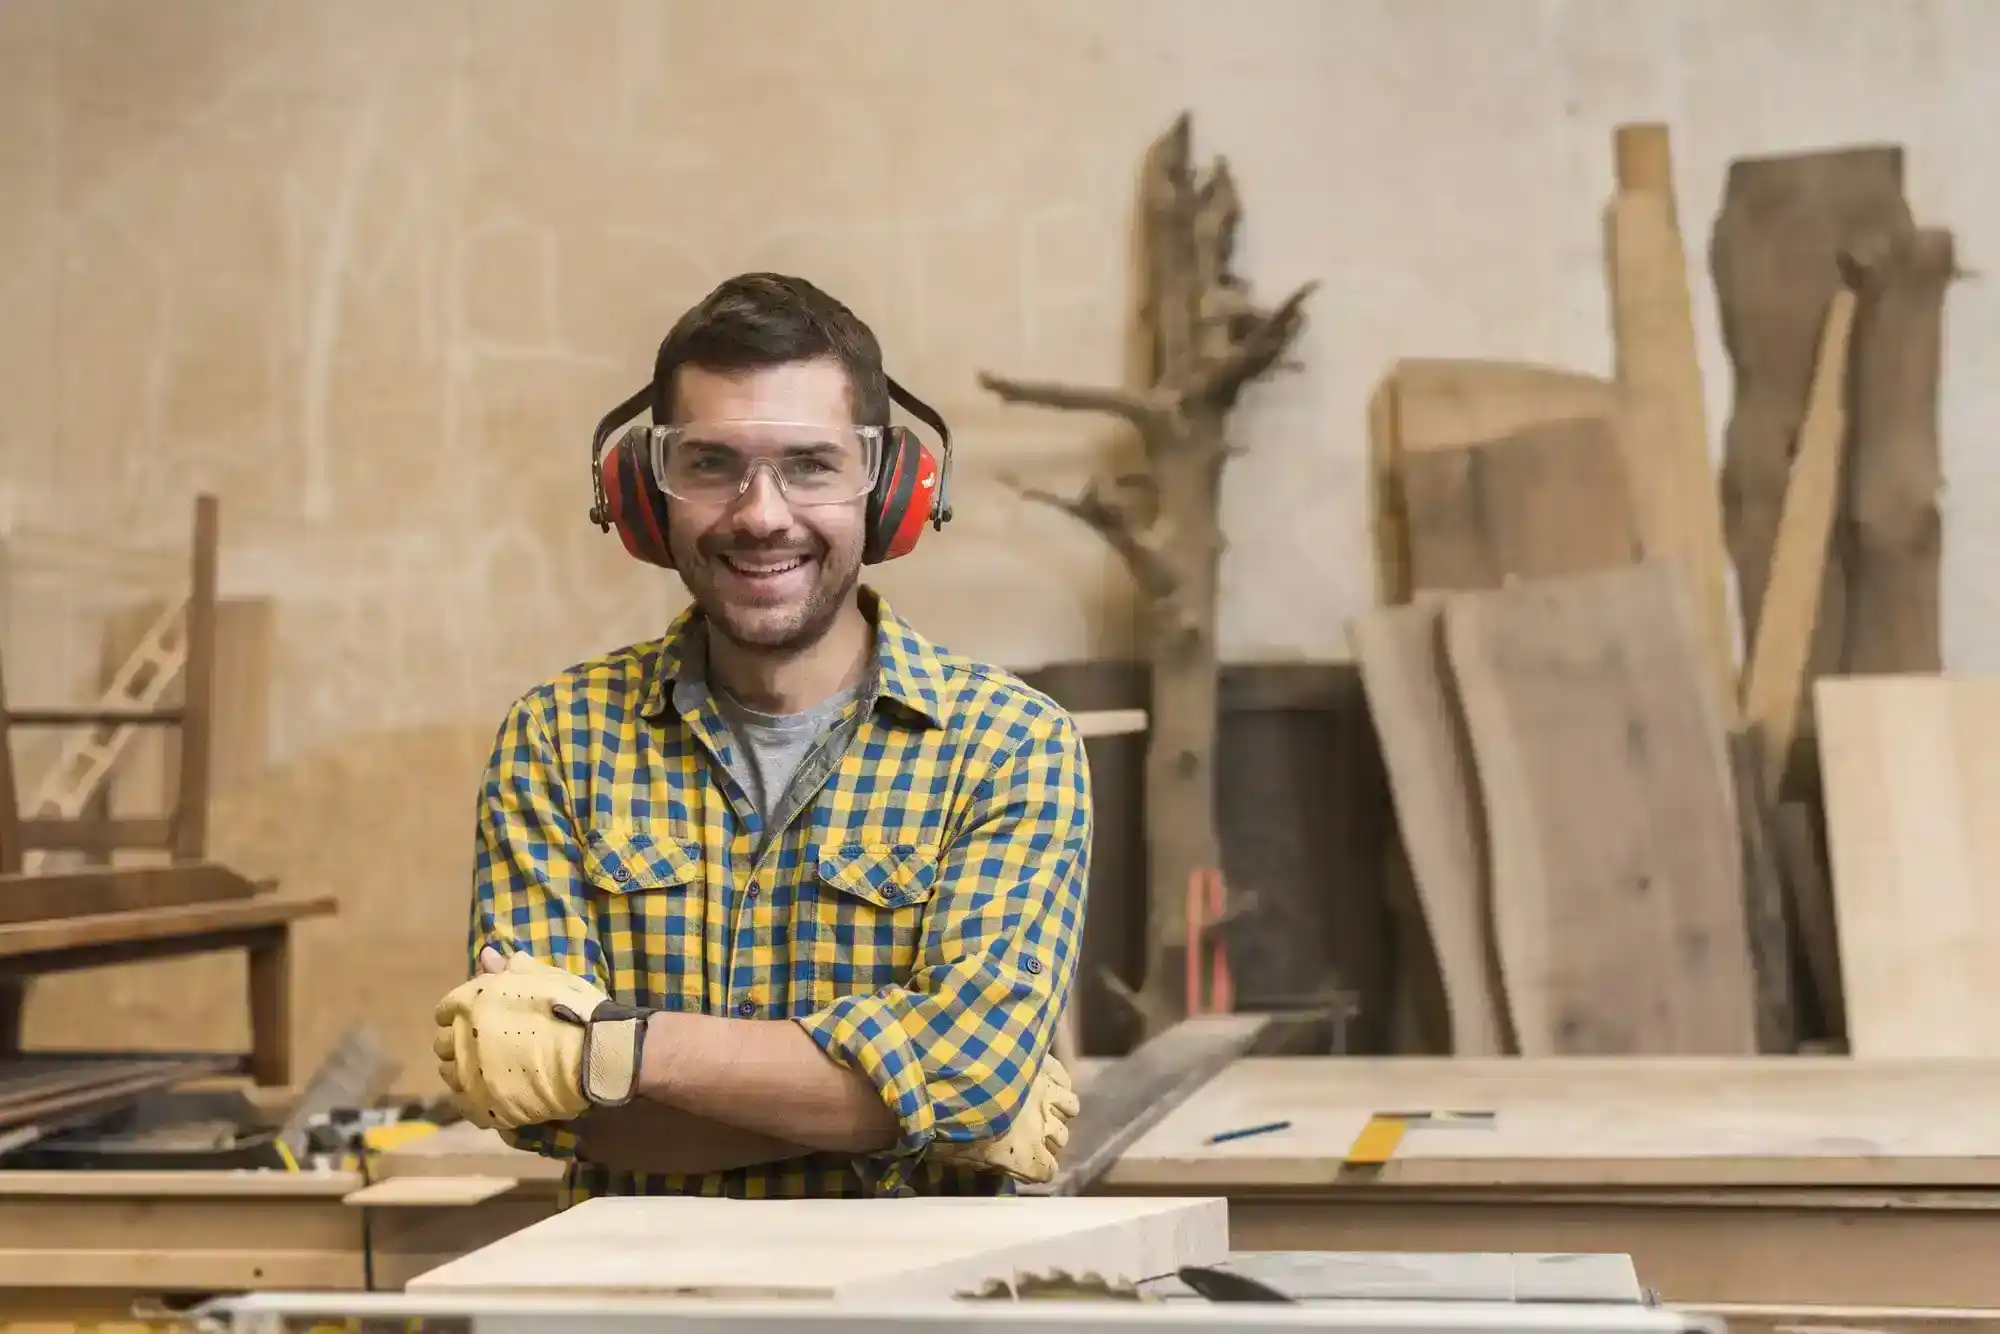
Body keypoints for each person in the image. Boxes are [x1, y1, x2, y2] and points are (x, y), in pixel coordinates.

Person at [430, 272, 1090, 1204]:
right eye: (711, 463)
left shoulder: (1008, 744)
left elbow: (968, 1085)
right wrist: (904, 1116)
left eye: (812, 464)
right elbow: (539, 1103)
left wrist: (615, 1048)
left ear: (890, 488)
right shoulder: (558, 739)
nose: (761, 512)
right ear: (643, 493)